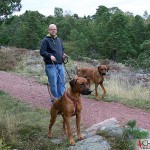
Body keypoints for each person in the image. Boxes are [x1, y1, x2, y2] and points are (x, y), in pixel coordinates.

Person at [40, 24, 67, 105]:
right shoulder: (45, 40)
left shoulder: (59, 40)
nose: (53, 30)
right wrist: (50, 56)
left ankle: (62, 100)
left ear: (56, 30)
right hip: (50, 65)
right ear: (49, 30)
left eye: (54, 29)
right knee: (53, 84)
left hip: (60, 65)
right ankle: (54, 102)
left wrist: (63, 55)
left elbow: (62, 50)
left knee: (61, 83)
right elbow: (42, 52)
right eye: (51, 29)